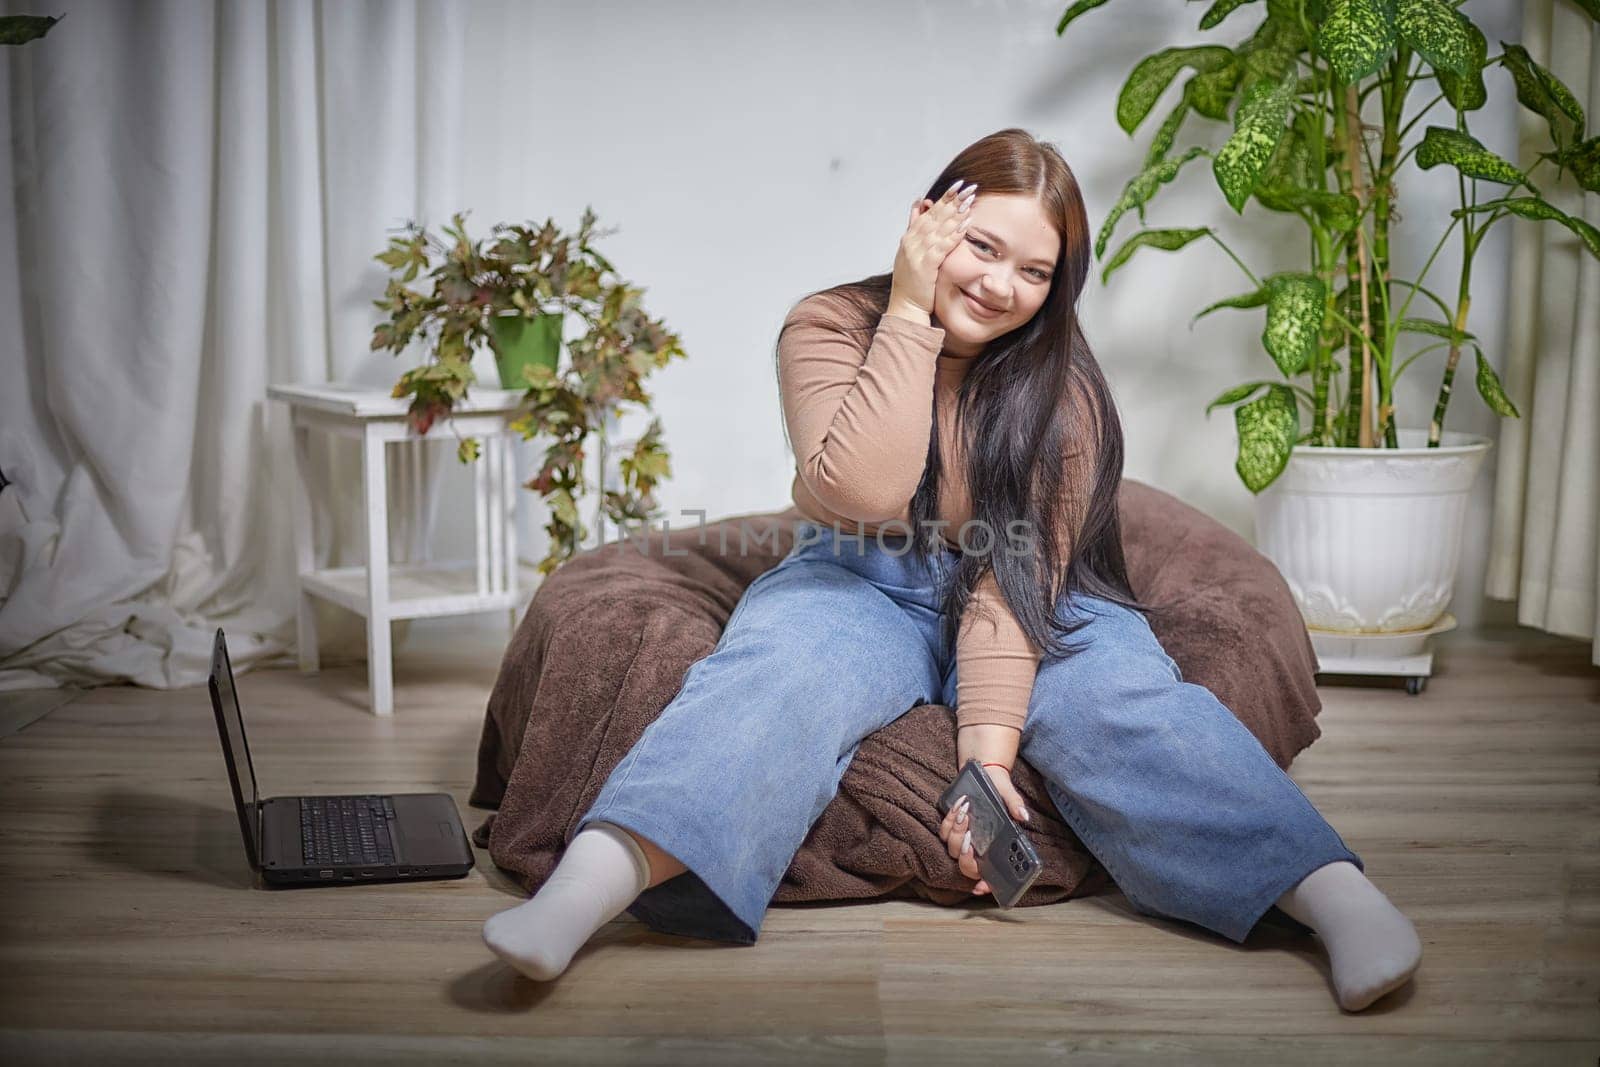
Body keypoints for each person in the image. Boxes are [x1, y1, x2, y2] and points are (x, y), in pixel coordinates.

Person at [481, 128, 1423, 1012]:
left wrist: (987, 749)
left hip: (1029, 587)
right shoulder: (828, 325)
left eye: (1035, 271)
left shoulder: (1066, 393)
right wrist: (905, 310)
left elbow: (1013, 583)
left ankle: (1337, 900)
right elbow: (857, 491)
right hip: (861, 575)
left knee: (1124, 694)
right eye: (980, 246)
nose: (1001, 284)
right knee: (777, 669)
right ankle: (580, 894)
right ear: (927, 222)